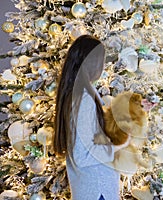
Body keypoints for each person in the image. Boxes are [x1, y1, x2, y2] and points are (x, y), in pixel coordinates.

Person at [53, 35, 129, 200]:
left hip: (91, 186)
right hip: (96, 187)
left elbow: (92, 132)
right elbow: (82, 155)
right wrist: (118, 146)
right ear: (93, 64)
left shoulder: (79, 93)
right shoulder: (84, 98)